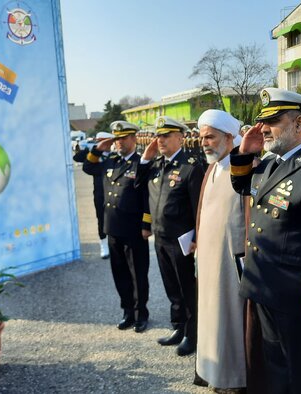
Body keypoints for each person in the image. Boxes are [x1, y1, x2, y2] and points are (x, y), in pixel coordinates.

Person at [230, 87, 301, 393]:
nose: (263, 129)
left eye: (272, 121)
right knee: (276, 370)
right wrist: (245, 153)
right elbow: (243, 186)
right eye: (262, 121)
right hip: (266, 287)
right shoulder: (273, 162)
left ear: (300, 123)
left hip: (296, 295)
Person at [138, 116, 204, 356]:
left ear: (180, 137)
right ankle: (178, 327)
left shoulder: (191, 167)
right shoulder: (155, 165)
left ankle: (192, 334)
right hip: (161, 238)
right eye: (158, 136)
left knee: (187, 288)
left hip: (181, 239)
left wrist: (198, 236)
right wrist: (145, 158)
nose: (160, 140)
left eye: (166, 136)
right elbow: (138, 186)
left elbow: (199, 206)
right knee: (171, 287)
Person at [193, 110, 247, 390]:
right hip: (209, 260)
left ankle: (233, 378)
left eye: (210, 137)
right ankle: (211, 371)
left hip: (230, 263)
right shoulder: (213, 167)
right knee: (211, 319)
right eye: (202, 138)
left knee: (231, 321)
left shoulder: (244, 166)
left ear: (229, 137)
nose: (205, 143)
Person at [83, 121, 151, 333]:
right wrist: (97, 149)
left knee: (137, 274)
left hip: (133, 229)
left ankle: (141, 315)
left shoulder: (141, 163)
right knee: (120, 273)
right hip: (112, 227)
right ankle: (127, 312)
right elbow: (88, 167)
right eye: (117, 138)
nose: (119, 142)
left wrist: (146, 223)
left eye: (123, 138)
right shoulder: (110, 160)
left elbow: (147, 196)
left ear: (133, 139)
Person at [74, 131, 114, 259]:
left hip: (114, 193)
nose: (99, 143)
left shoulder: (115, 155)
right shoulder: (93, 154)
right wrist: (92, 149)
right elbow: (78, 159)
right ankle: (103, 244)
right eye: (97, 140)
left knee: (115, 219)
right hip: (100, 193)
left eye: (102, 141)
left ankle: (113, 244)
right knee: (101, 219)